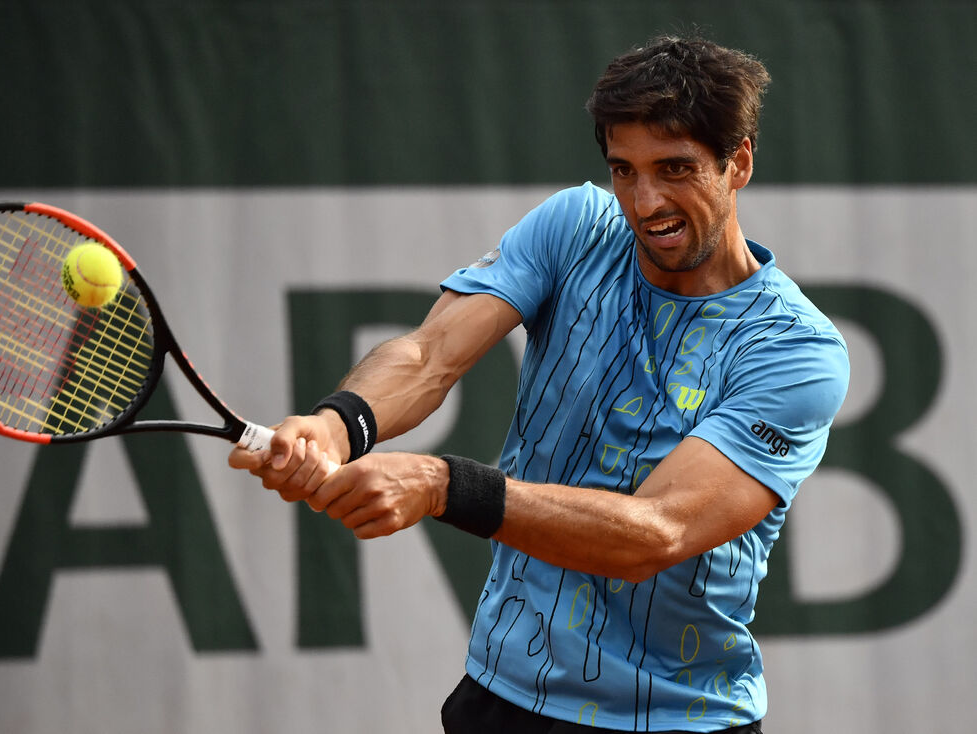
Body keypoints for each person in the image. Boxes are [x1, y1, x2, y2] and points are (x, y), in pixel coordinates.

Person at [229, 34, 849, 733]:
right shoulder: (576, 225)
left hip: (680, 721)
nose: (646, 203)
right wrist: (339, 425)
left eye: (675, 169)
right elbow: (432, 353)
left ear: (737, 163)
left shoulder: (796, 351)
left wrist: (441, 485)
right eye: (624, 170)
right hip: (501, 699)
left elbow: (653, 534)